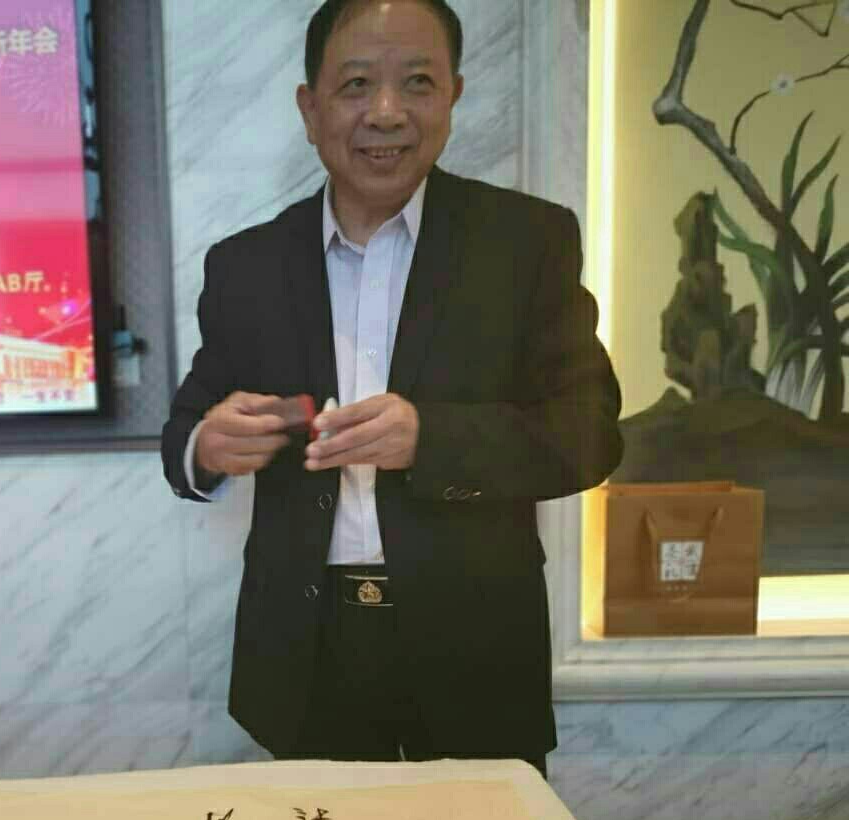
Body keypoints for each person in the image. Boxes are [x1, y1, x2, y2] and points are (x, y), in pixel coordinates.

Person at [160, 0, 623, 772]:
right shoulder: (246, 266)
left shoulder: (525, 243)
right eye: (355, 85)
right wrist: (209, 444)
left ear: (454, 94)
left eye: (417, 82)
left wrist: (431, 439)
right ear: (310, 108)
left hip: (476, 647)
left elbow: (590, 434)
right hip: (310, 657)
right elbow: (183, 433)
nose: (385, 112)